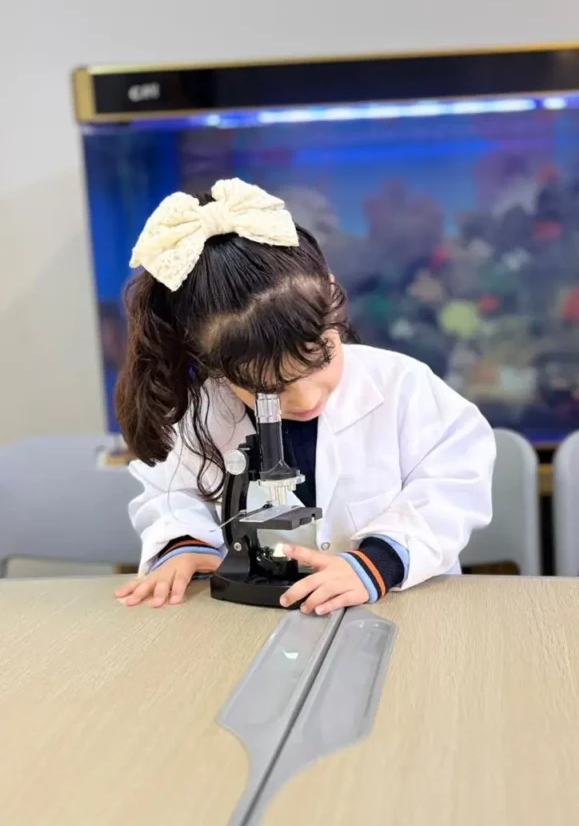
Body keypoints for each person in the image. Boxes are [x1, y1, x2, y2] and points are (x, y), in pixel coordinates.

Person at [114, 179, 495, 612]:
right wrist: (184, 544)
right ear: (214, 367)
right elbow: (170, 493)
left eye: (320, 359)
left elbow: (454, 481)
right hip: (250, 620)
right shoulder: (206, 409)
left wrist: (380, 561)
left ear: (331, 301)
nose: (306, 398)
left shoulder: (402, 386)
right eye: (269, 388)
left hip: (398, 608)